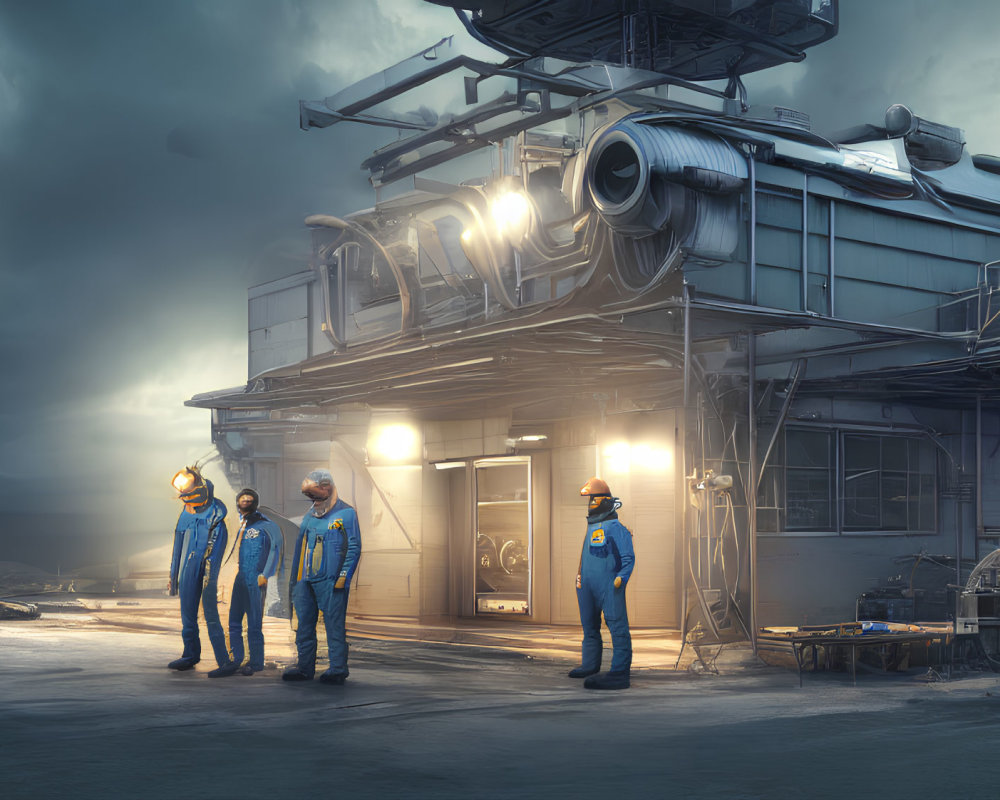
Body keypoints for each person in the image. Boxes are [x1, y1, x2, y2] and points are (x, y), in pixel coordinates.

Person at [283, 469, 362, 685]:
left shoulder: (346, 514)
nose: (313, 500)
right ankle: (304, 667)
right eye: (310, 496)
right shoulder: (310, 516)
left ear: (327, 488)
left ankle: (337, 669)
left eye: (315, 495)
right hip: (305, 580)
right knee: (304, 625)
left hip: (331, 580)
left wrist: (343, 576)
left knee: (334, 625)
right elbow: (300, 548)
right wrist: (296, 580)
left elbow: (353, 547)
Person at [208, 488, 283, 678]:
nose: (246, 502)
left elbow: (275, 549)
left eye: (250, 500)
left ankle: (256, 663)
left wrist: (266, 573)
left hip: (256, 579)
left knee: (254, 624)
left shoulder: (267, 525)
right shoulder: (242, 525)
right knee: (234, 621)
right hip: (240, 577)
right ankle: (236, 659)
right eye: (242, 500)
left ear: (256, 502)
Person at [569, 476, 635, 690]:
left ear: (606, 501)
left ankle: (619, 672)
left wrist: (621, 577)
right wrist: (579, 579)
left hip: (609, 584)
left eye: (594, 500)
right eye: (590, 500)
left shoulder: (616, 527)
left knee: (617, 626)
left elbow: (628, 557)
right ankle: (590, 665)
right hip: (586, 585)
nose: (591, 505)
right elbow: (585, 556)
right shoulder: (591, 527)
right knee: (589, 625)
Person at [167, 465, 229, 672]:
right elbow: (178, 547)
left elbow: (215, 554)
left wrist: (209, 581)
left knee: (210, 614)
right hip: (187, 571)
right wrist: (173, 576)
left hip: (206, 572)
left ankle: (224, 662)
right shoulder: (185, 515)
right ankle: (190, 654)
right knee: (187, 617)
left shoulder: (216, 518)